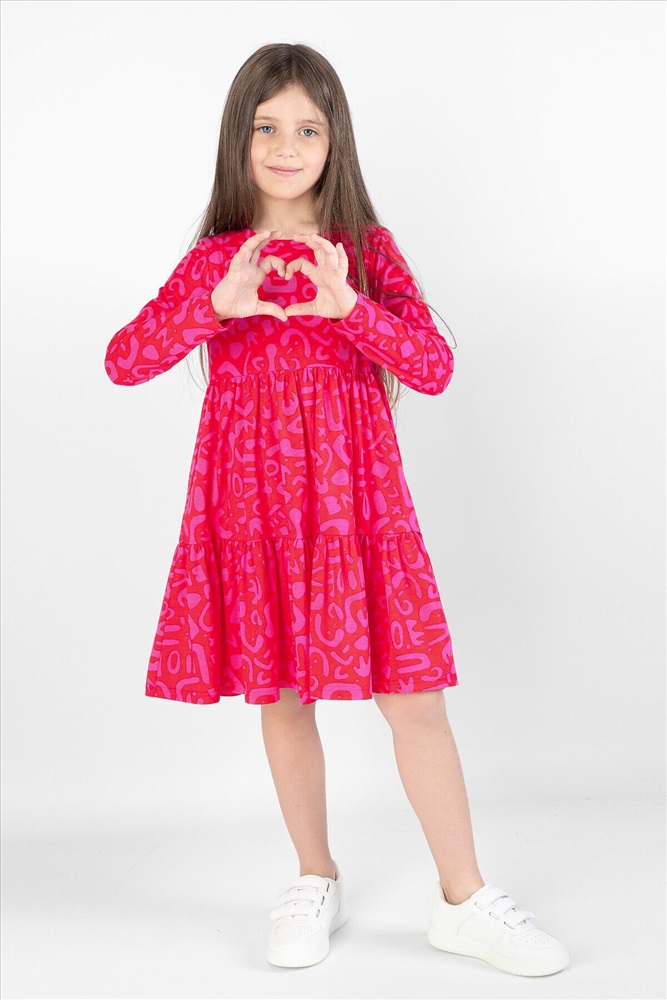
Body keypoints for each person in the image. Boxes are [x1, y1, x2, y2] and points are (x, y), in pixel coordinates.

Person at [104, 42, 570, 977]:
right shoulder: (216, 261)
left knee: (415, 701)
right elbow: (124, 359)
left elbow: (431, 368)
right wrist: (216, 305)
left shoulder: (363, 251)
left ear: (334, 142)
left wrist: (347, 304)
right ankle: (314, 875)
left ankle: (463, 898)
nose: (286, 147)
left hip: (359, 512)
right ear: (238, 139)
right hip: (254, 513)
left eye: (307, 129)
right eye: (267, 127)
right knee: (282, 695)